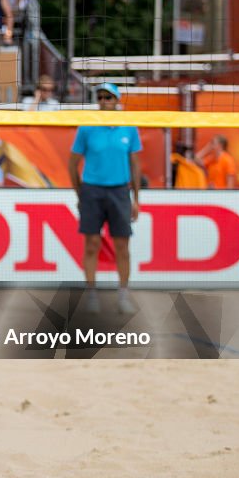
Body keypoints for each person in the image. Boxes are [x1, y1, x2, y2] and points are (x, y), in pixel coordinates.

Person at [68, 82, 141, 315]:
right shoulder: (87, 127)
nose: (103, 100)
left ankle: (123, 295)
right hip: (92, 190)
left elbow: (135, 164)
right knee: (91, 245)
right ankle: (91, 294)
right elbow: (72, 163)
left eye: (108, 97)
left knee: (123, 247)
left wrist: (136, 198)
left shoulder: (128, 126)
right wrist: (80, 192)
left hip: (120, 191)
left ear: (117, 100)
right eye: (100, 96)